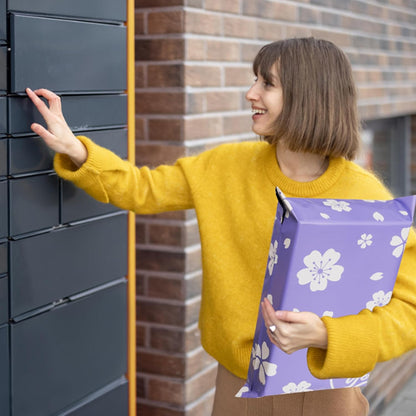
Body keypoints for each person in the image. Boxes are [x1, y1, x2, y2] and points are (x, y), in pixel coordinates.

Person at [26, 37, 416, 416]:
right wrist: (77, 149)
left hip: (326, 395)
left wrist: (328, 336)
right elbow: (141, 189)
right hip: (236, 389)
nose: (251, 93)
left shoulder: (367, 199)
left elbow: (410, 310)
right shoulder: (225, 167)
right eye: (254, 80)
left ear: (308, 96)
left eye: (267, 83)